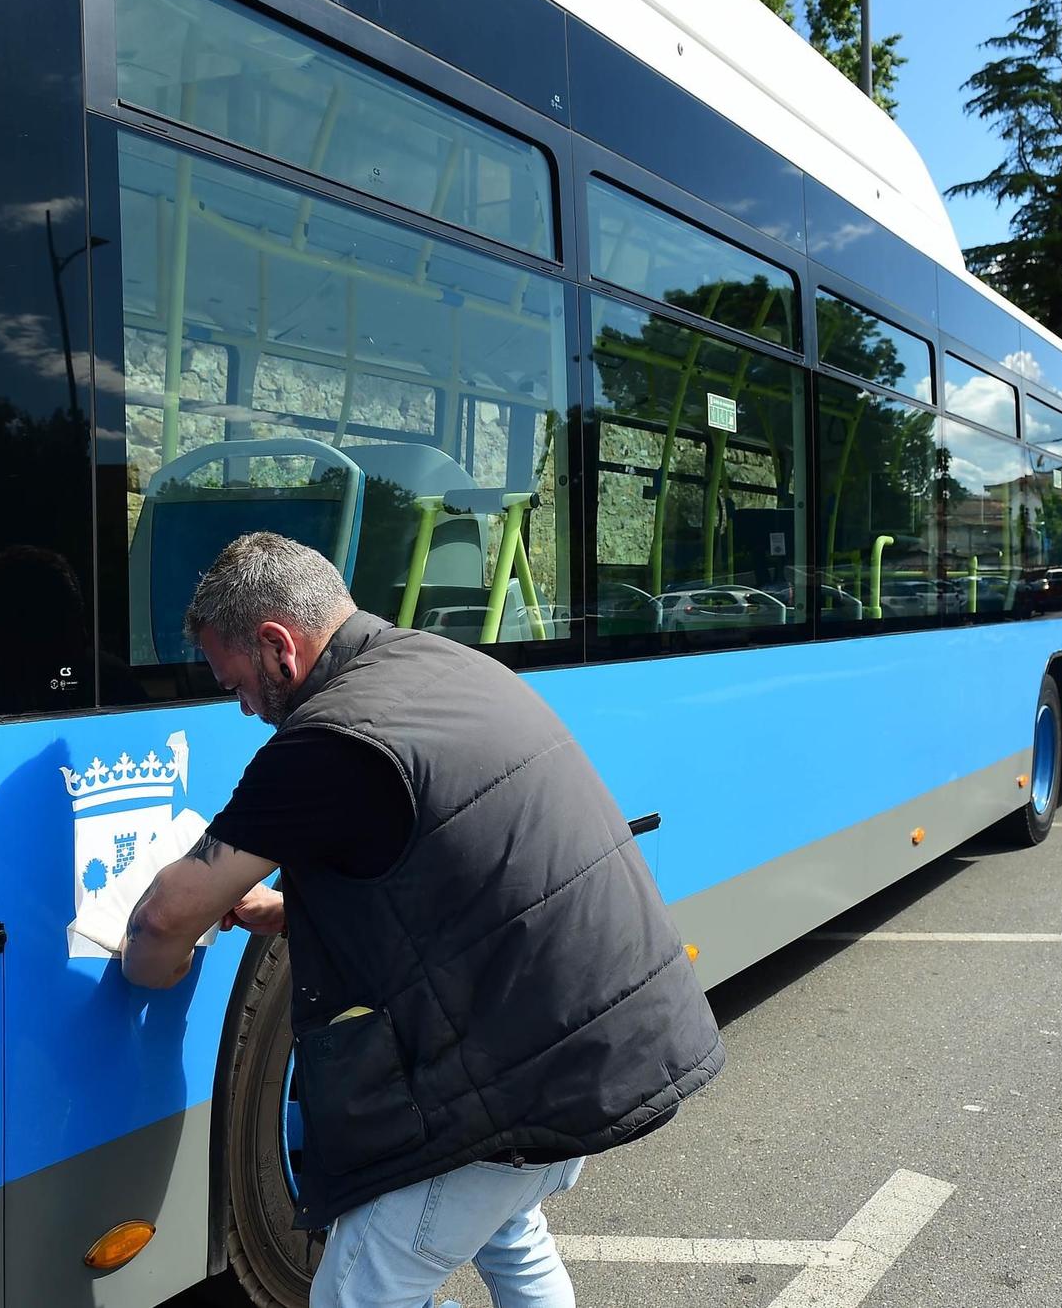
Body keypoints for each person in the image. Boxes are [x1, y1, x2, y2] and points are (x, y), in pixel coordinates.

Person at [122, 532, 723, 1308]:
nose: (240, 705)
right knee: (510, 1231)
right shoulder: (436, 663)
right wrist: (287, 908)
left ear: (278, 646)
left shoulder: (325, 740)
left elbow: (167, 917)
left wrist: (150, 966)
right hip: (591, 1044)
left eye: (234, 681)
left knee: (358, 1291)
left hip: (518, 1078)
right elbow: (435, 857)